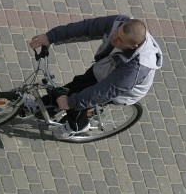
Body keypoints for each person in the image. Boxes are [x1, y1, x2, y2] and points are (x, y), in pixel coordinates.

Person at [25, 14, 163, 139]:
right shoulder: (118, 22)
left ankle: (77, 126)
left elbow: (106, 90)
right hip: (105, 68)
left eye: (120, 40)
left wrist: (71, 102)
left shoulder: (137, 67)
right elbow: (86, 28)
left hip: (120, 90)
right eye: (116, 33)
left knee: (76, 98)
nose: (114, 39)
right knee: (73, 86)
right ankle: (42, 106)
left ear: (133, 46)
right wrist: (51, 37)